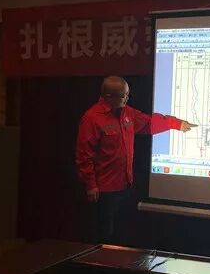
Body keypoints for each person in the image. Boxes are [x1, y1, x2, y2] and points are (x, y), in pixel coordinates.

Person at [75, 75, 196, 243]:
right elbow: (84, 155)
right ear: (108, 96)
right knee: (103, 234)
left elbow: (149, 123)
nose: (127, 98)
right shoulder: (92, 118)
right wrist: (91, 185)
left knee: (123, 232)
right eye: (123, 95)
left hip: (125, 185)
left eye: (127, 94)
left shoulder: (127, 113)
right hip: (104, 190)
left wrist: (176, 124)